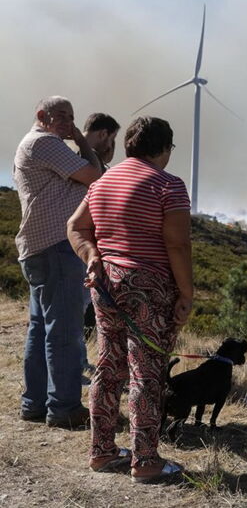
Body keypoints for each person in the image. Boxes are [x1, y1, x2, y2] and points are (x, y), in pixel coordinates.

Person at [67, 116, 193, 481]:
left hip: (106, 283)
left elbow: (75, 226)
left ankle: (102, 452)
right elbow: (178, 244)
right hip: (149, 288)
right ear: (165, 148)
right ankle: (146, 460)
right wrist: (186, 293)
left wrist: (92, 256)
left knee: (109, 366)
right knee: (146, 372)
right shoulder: (168, 185)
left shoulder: (104, 181)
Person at [13, 96, 102, 428]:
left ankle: (34, 403)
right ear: (41, 116)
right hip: (56, 248)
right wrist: (82, 142)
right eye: (61, 116)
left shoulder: (37, 144)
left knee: (41, 330)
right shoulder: (45, 142)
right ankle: (64, 408)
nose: (68, 122)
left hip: (40, 249)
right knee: (64, 332)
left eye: (72, 117)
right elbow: (95, 176)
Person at [78, 113, 121, 379]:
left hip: (85, 250)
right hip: (82, 251)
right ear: (104, 135)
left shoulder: (85, 159)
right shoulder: (83, 160)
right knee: (77, 315)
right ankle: (75, 366)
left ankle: (79, 361)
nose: (114, 147)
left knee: (82, 314)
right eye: (113, 139)